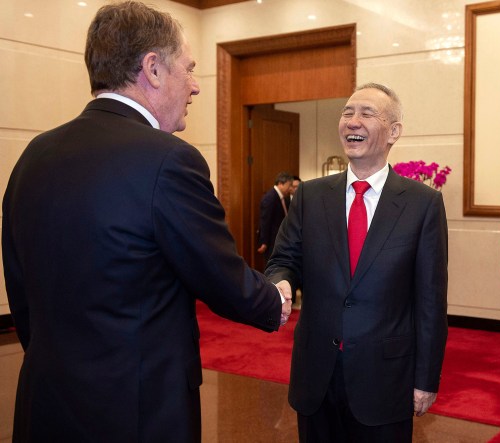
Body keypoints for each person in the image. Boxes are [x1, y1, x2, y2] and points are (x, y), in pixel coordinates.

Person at [1, 2, 290, 442]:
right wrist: (275, 299)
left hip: (45, 403)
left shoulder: (33, 156)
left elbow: (21, 292)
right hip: (135, 412)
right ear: (153, 69)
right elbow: (219, 276)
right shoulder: (169, 160)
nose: (195, 87)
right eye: (190, 69)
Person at [266, 83, 449, 442]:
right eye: (347, 112)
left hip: (385, 380)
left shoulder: (422, 204)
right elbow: (283, 259)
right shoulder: (311, 195)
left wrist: (425, 379)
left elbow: (430, 301)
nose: (353, 121)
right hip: (316, 375)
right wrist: (282, 281)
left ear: (393, 131)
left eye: (367, 113)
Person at [257, 171, 293, 258]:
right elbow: (265, 221)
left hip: (282, 240)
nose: (290, 188)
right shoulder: (270, 198)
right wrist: (264, 242)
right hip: (272, 241)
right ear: (281, 184)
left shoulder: (286, 198)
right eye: (289, 185)